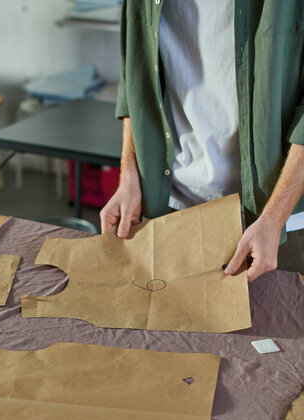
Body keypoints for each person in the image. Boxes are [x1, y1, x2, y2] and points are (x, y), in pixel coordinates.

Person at [100, 0, 304, 282]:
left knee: (277, 324)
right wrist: (129, 176)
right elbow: (134, 76)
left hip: (277, 223)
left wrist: (274, 217)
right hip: (170, 207)